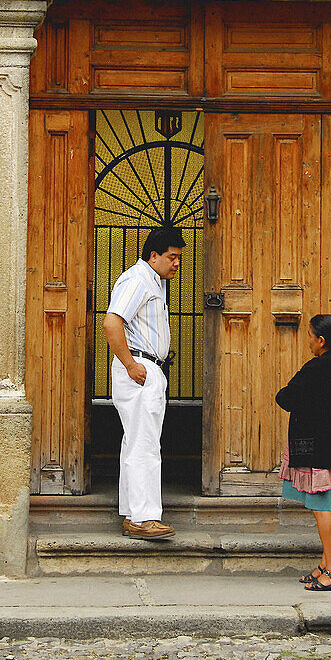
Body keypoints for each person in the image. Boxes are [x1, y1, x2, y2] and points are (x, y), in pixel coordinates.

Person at [102, 225, 185, 540]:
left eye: (178, 258)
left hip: (146, 369)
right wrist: (131, 364)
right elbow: (112, 322)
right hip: (140, 368)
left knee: (135, 443)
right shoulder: (138, 280)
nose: (176, 264)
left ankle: (133, 514)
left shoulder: (153, 281)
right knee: (145, 446)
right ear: (154, 256)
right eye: (172, 257)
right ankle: (145, 518)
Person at [275, 314, 331, 592]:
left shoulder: (317, 368)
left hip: (318, 450)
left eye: (310, 336)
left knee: (321, 506)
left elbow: (285, 397)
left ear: (321, 340)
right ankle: (325, 562)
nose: (308, 341)